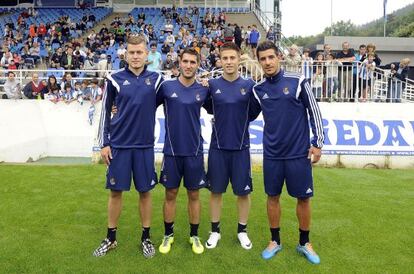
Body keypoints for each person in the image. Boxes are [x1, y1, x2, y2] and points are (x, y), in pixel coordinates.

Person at [252, 41, 324, 264]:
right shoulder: (258, 89)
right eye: (262, 59)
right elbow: (243, 114)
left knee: (303, 198)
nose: (267, 62)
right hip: (272, 155)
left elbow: (314, 111)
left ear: (279, 57)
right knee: (272, 197)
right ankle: (275, 240)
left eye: (270, 57)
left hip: (298, 154)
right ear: (259, 62)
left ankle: (304, 242)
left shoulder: (298, 81)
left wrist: (318, 142)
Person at [94, 35, 162, 258]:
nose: (135, 56)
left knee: (145, 193)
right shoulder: (114, 79)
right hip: (119, 146)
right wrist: (104, 143)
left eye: (139, 52)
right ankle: (111, 238)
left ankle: (146, 238)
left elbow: (176, 96)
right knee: (115, 193)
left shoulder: (157, 79)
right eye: (131, 52)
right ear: (125, 54)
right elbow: (105, 111)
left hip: (144, 147)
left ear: (146, 54)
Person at [203, 42, 260, 250]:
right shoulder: (211, 85)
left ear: (238, 59)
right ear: (220, 60)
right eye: (225, 58)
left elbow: (253, 113)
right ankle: (215, 231)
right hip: (217, 148)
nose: (228, 62)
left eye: (232, 58)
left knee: (243, 193)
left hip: (241, 148)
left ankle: (242, 231)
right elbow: (208, 108)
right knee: (215, 192)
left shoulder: (250, 85)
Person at [156, 48, 209, 255]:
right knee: (170, 194)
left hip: (194, 152)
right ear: (179, 63)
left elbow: (222, 107)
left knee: (194, 194)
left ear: (198, 64)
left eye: (192, 62)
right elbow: (145, 105)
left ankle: (194, 235)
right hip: (171, 151)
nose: (188, 65)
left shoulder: (204, 89)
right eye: (185, 61)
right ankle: (168, 235)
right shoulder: (166, 87)